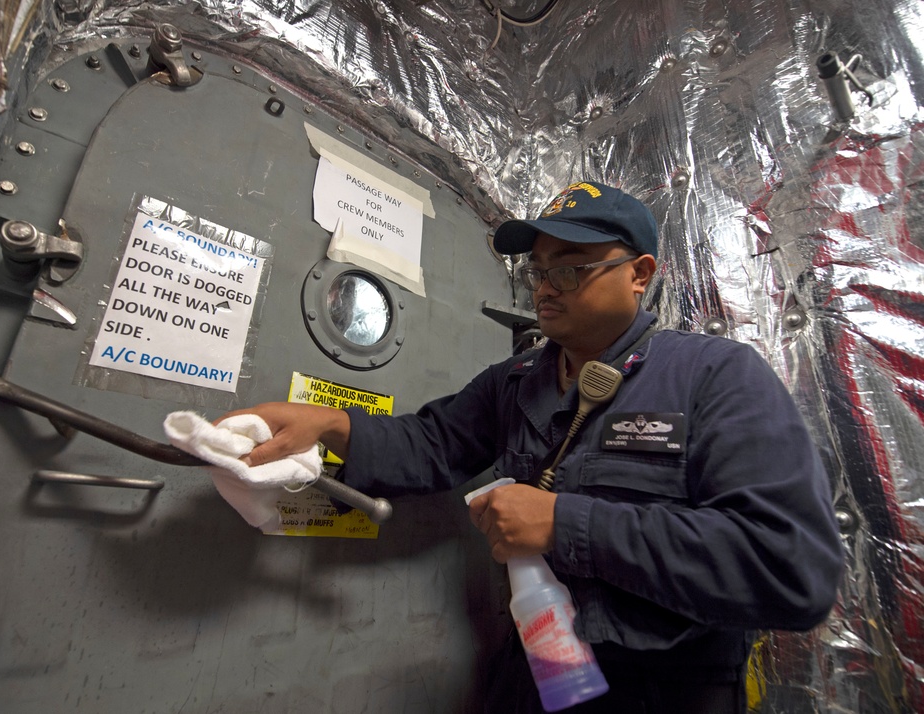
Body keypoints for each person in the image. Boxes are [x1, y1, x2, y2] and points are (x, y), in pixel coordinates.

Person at [221, 180, 844, 713]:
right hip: (538, 674)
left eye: (570, 267)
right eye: (539, 270)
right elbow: (434, 442)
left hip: (665, 689)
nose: (546, 286)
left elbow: (791, 570)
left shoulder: (715, 377)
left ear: (640, 274)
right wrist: (332, 424)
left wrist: (566, 524)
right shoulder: (519, 380)